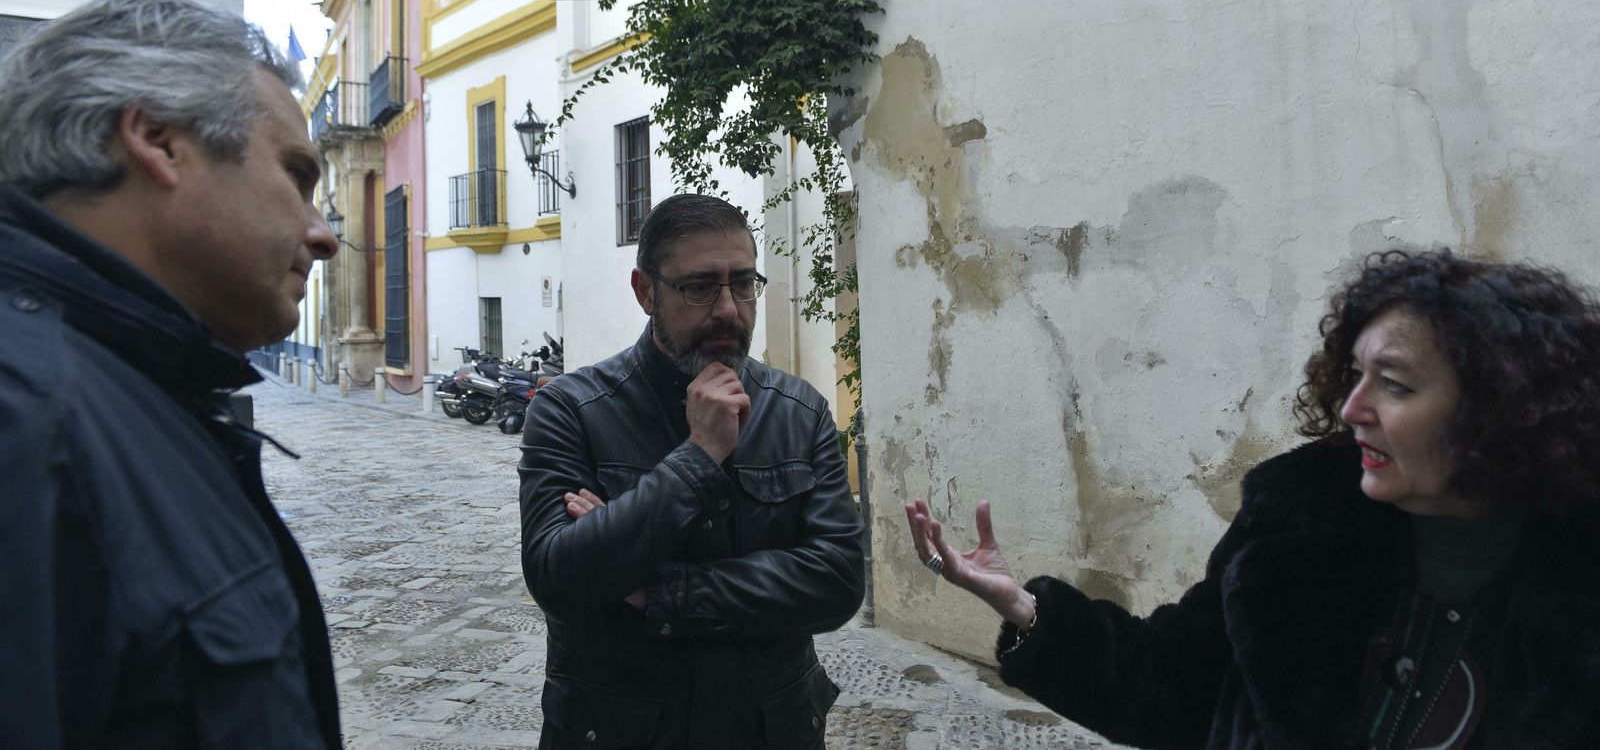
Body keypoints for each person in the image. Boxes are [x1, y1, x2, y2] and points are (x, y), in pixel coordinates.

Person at [907, 249, 1600, 749]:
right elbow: (1173, 689)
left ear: (1498, 409)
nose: (1353, 406)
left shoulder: (1575, 571)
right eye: (1353, 374)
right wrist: (1028, 613)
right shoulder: (1298, 514)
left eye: (1395, 383)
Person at [0, 0, 342, 748]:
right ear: (157, 139)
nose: (323, 235)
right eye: (295, 175)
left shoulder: (131, 389)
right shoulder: (27, 423)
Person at [519, 193, 864, 749]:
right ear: (645, 291)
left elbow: (838, 583)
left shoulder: (799, 412)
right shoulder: (571, 409)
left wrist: (660, 592)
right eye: (700, 287)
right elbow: (558, 578)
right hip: (616, 732)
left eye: (744, 283)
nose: (728, 308)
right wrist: (697, 457)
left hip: (771, 730)